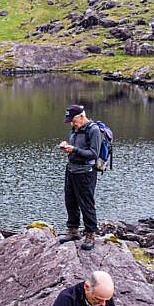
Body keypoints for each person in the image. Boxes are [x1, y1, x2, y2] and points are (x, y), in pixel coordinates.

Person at [57, 104, 104, 251]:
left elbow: (93, 153)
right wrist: (67, 148)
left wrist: (75, 149)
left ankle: (90, 234)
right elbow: (75, 149)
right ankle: (73, 230)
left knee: (86, 203)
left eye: (73, 120)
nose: (72, 124)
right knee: (70, 200)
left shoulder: (94, 130)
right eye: (70, 121)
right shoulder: (75, 130)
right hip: (71, 169)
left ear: (82, 117)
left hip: (86, 172)